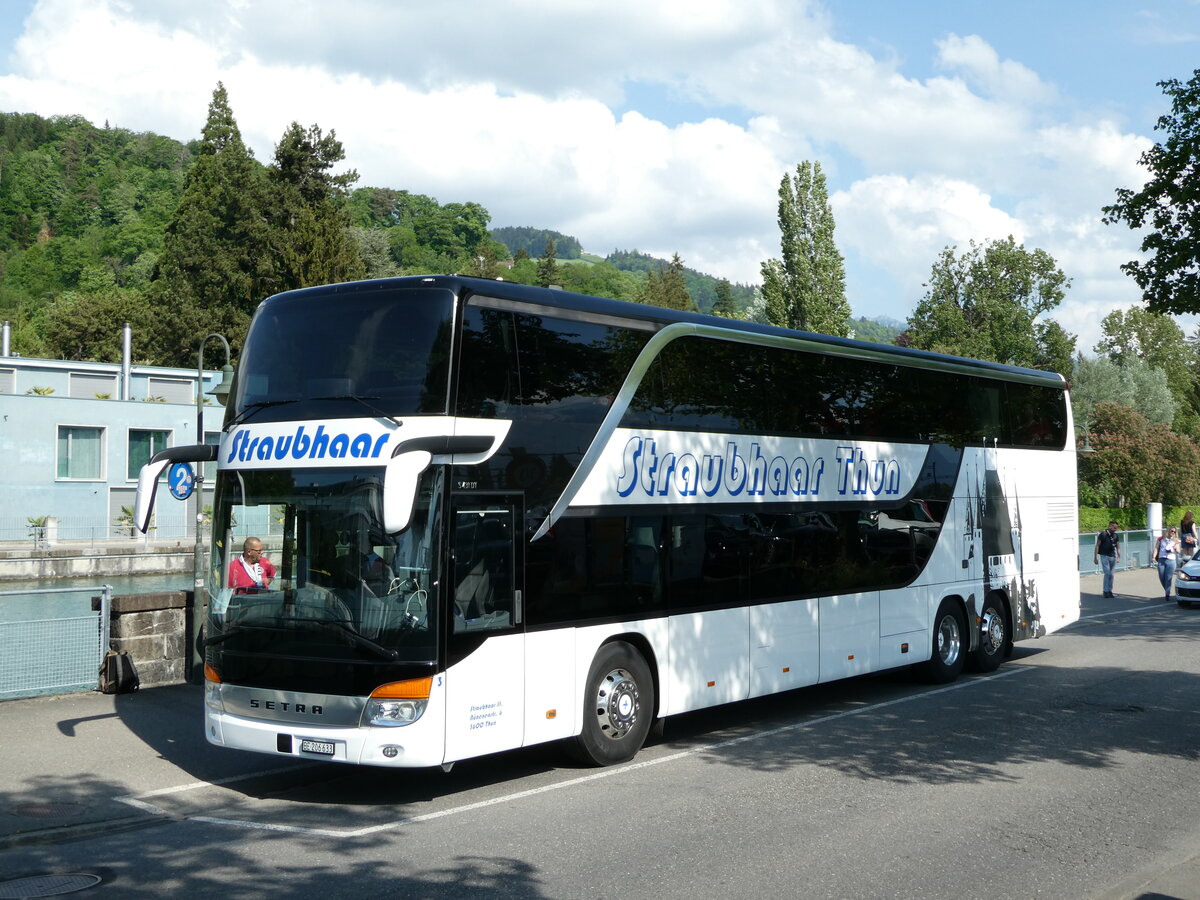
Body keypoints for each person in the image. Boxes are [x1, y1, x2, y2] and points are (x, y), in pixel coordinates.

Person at [1094, 521, 1121, 598]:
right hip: (1104, 555)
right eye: (1114, 528)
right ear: (1110, 526)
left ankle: (1110, 590)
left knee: (1111, 575)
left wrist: (1119, 556)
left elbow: (1118, 546)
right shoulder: (1103, 534)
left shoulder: (1116, 536)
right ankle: (1105, 591)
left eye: (1116, 528)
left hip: (1113, 556)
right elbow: (1097, 546)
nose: (1115, 529)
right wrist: (1095, 557)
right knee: (1107, 573)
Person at [1155, 526, 1181, 601]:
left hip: (1171, 561)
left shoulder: (1176, 540)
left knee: (1168, 578)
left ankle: (1167, 593)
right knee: (1162, 577)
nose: (1173, 533)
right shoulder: (1161, 539)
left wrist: (1176, 548)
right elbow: (1156, 548)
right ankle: (1167, 589)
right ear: (1168, 531)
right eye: (1172, 531)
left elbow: (1179, 550)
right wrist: (1153, 557)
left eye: (1174, 532)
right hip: (1161, 559)